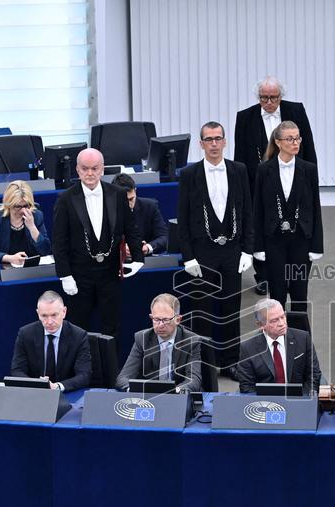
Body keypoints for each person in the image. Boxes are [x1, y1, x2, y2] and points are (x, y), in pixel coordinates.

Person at [176, 122, 255, 377]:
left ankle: (231, 361)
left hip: (232, 251)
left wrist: (248, 250)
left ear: (224, 142)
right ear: (201, 144)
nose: (213, 144)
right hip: (202, 253)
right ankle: (203, 365)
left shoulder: (238, 170)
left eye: (217, 139)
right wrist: (188, 256)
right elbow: (184, 218)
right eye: (208, 139)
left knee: (231, 308)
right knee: (202, 310)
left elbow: (247, 213)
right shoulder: (190, 175)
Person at [234, 76, 318, 295]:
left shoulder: (296, 111)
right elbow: (240, 155)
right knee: (262, 224)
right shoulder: (245, 117)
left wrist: (310, 178)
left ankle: (293, 276)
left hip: (293, 177)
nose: (269, 102)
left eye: (273, 97)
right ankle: (263, 275)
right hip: (259, 181)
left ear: (281, 96)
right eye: (264, 97)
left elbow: (307, 144)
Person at [51, 148, 144, 337]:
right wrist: (65, 275)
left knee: (112, 327)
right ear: (77, 170)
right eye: (85, 169)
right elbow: (59, 241)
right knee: (78, 329)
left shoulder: (118, 194)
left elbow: (131, 228)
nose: (90, 173)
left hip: (110, 274)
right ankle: (80, 367)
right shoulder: (65, 199)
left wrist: (138, 258)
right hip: (79, 276)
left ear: (102, 169)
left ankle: (111, 367)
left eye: (94, 168)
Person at [252, 121, 323, 314]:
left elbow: (315, 207)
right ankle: (277, 337)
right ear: (278, 142)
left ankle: (301, 339)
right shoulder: (264, 170)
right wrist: (257, 246)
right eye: (290, 139)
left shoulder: (308, 169)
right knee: (277, 294)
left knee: (300, 294)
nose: (295, 143)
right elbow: (258, 209)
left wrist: (317, 245)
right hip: (273, 240)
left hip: (301, 239)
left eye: (297, 138)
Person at [116, 293, 202, 392]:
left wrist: (175, 392)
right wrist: (136, 390)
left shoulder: (191, 341)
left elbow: (194, 380)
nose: (160, 325)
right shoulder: (142, 338)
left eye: (166, 320)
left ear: (178, 319)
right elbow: (123, 378)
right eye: (156, 319)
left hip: (178, 397)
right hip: (148, 398)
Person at [10, 290, 92, 392]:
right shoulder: (25, 334)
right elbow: (17, 370)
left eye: (54, 315)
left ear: (64, 312)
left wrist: (58, 386)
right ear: (38, 314)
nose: (49, 322)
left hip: (67, 396)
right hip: (35, 394)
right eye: (44, 316)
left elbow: (84, 375)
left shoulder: (79, 336)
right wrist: (38, 384)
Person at [236, 298, 322, 394]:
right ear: (261, 325)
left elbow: (314, 375)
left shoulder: (303, 339)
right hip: (265, 403)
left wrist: (303, 399)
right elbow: (247, 387)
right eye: (274, 320)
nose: (282, 323)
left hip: (298, 399)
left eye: (283, 316)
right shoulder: (248, 348)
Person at [0, 180, 51, 265]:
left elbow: (45, 250)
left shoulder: (36, 217)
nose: (23, 210)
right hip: (5, 269)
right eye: (18, 206)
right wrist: (10, 258)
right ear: (8, 205)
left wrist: (32, 228)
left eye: (26, 205)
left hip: (32, 267)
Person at [111, 173, 169, 257]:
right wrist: (119, 248)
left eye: (131, 199)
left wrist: (147, 247)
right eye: (123, 200)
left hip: (145, 262)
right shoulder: (104, 210)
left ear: (135, 190)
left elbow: (164, 237)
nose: (129, 204)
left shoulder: (150, 207)